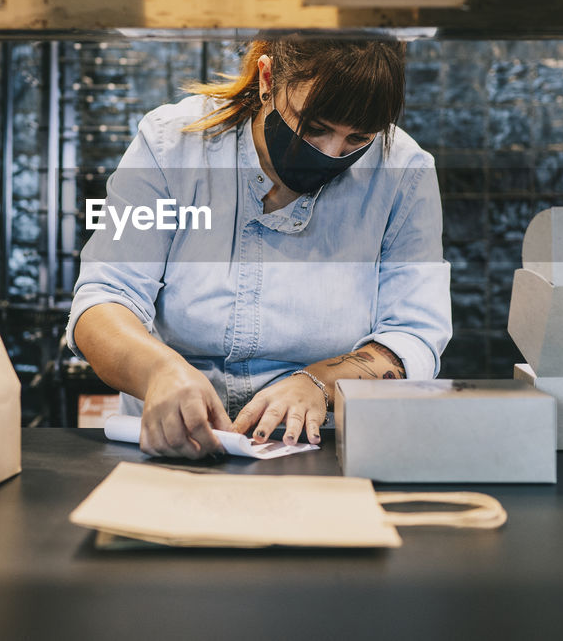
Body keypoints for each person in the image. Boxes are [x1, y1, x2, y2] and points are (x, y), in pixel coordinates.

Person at [66, 39, 450, 459]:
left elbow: (414, 333)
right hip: (173, 447)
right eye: (315, 127)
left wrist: (317, 383)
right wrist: (158, 370)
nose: (330, 154)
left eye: (358, 138)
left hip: (321, 451)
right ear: (268, 79)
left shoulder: (404, 174)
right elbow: (104, 300)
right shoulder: (170, 146)